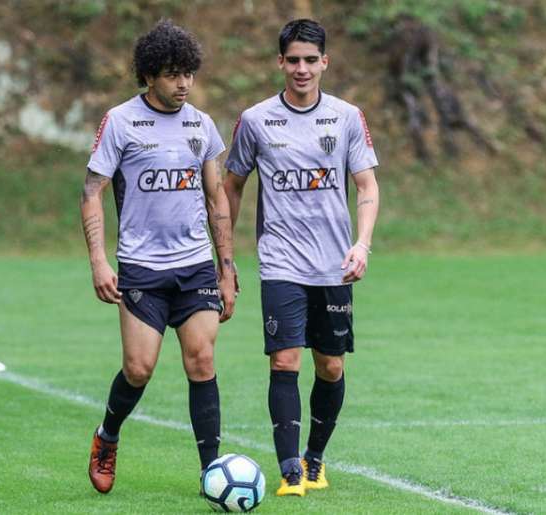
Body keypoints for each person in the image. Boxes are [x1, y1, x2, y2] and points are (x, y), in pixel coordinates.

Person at [223, 18, 380, 497]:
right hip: (280, 261)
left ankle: (315, 459)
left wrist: (362, 243)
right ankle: (290, 470)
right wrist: (224, 256)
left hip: (334, 263)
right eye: (293, 60)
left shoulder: (347, 117)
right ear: (280, 63)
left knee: (330, 366)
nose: (302, 69)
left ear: (325, 62)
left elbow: (367, 186)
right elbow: (231, 186)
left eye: (311, 60)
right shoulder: (255, 120)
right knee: (285, 360)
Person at [80, 20, 236, 495]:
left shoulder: (200, 124)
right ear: (149, 76)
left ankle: (212, 471)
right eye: (172, 74)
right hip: (142, 267)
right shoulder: (121, 121)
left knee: (201, 359)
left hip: (194, 266)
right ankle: (107, 437)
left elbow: (217, 201)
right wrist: (99, 263)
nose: (183, 83)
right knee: (139, 369)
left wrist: (227, 271)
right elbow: (91, 192)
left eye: (188, 73)